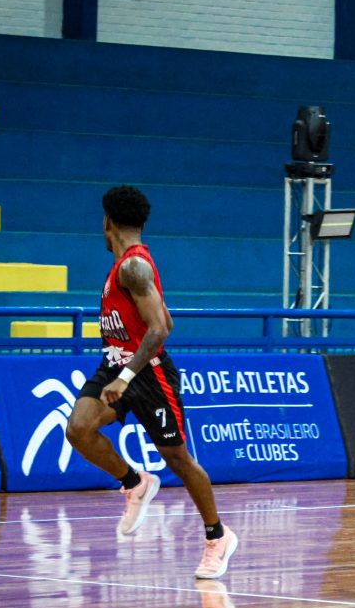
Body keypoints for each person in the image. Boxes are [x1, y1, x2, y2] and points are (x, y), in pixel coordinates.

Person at [65, 185, 238, 579]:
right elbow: (166, 320)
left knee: (177, 459)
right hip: (115, 365)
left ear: (107, 221)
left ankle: (218, 536)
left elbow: (160, 330)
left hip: (148, 375)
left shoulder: (134, 267)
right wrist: (120, 372)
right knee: (79, 428)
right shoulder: (126, 267)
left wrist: (126, 377)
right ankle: (135, 483)